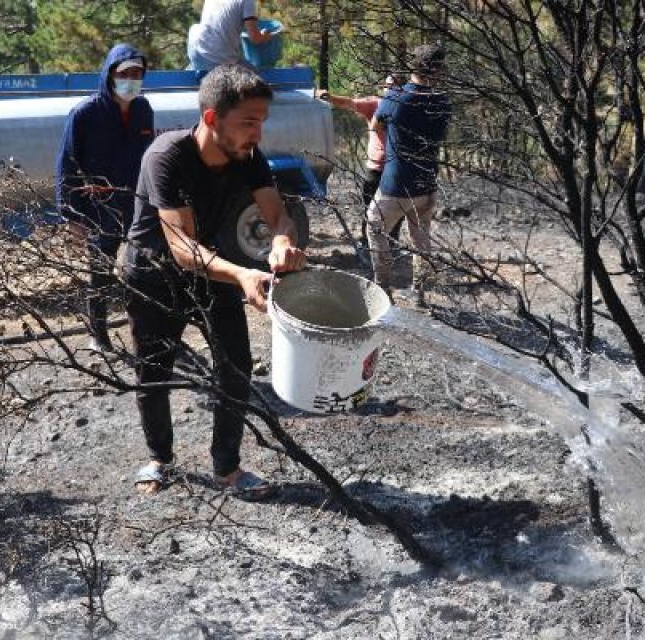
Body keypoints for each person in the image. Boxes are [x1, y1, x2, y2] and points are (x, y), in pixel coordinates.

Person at [123, 63, 306, 497]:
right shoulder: (167, 157)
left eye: (261, 121)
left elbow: (278, 215)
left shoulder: (248, 156)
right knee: (154, 372)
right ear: (212, 118)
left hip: (213, 269)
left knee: (235, 366)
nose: (257, 133)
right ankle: (160, 459)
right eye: (248, 122)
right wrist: (242, 273)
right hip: (154, 275)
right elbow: (181, 247)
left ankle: (227, 468)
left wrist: (282, 242)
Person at [56, 44, 154, 352]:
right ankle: (98, 335)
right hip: (101, 206)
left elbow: (149, 158)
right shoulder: (85, 114)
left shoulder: (143, 109)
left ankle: (146, 332)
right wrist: (71, 215)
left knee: (144, 269)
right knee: (100, 274)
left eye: (137, 74)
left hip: (136, 203)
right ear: (110, 75)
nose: (131, 80)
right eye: (125, 74)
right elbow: (67, 165)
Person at [366, 45, 452, 307]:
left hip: (396, 185)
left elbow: (375, 125)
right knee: (421, 239)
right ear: (437, 70)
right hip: (427, 184)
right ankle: (420, 295)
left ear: (413, 66)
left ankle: (383, 289)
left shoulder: (396, 97)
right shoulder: (443, 102)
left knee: (375, 227)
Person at [317, 75, 406, 248]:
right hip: (376, 169)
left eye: (394, 86)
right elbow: (349, 103)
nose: (389, 89)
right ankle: (367, 242)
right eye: (387, 86)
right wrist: (331, 97)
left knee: (397, 209)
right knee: (370, 207)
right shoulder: (375, 104)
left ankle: (392, 243)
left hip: (398, 168)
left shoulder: (408, 108)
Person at [187, 0, 275, 72]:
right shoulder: (247, 1)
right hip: (217, 59)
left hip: (195, 51)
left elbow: (222, 22)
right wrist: (266, 36)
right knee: (256, 78)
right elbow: (255, 38)